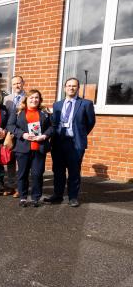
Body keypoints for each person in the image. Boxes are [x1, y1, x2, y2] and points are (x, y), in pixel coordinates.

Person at [46, 78, 96, 207]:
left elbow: (91, 122)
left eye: (74, 86)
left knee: (74, 171)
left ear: (78, 88)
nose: (71, 88)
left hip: (75, 143)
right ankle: (57, 195)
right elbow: (55, 123)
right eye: (69, 86)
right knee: (58, 171)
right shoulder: (57, 104)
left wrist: (80, 134)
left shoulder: (86, 104)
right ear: (64, 88)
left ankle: (73, 197)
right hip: (58, 142)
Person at [7, 90, 54, 207]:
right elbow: (10, 126)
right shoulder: (18, 111)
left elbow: (52, 127)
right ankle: (23, 197)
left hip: (39, 148)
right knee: (22, 174)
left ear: (40, 99)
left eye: (36, 98)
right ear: (26, 99)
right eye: (31, 98)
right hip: (23, 148)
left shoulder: (45, 112)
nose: (34, 100)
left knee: (37, 174)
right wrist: (23, 134)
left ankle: (35, 198)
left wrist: (44, 136)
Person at [2, 75, 26, 197]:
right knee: (10, 161)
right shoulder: (7, 99)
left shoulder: (28, 98)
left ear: (23, 84)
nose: (17, 85)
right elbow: (4, 117)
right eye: (14, 83)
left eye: (19, 83)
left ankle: (20, 187)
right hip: (9, 134)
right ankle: (11, 186)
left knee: (22, 162)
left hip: (23, 134)